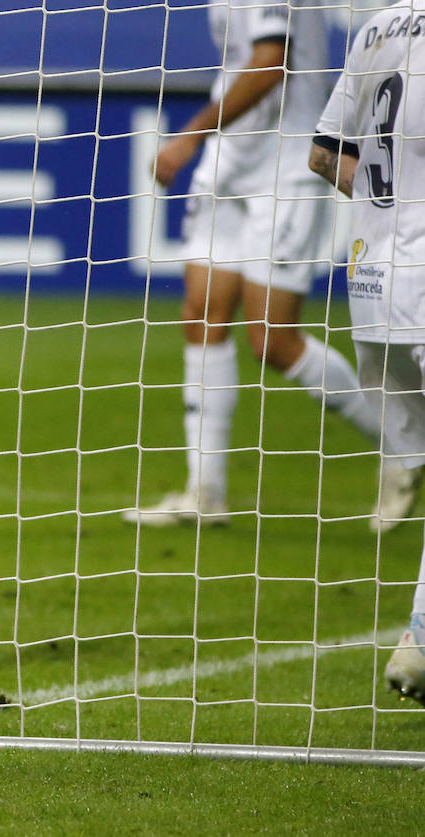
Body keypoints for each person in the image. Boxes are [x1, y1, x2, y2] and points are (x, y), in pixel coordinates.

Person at [124, 0, 420, 530]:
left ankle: (402, 448)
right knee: (201, 313)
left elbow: (270, 60)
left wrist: (191, 133)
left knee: (271, 339)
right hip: (231, 159)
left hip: (284, 163)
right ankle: (204, 491)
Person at [310, 1, 425, 704]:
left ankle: (417, 639)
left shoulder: (375, 26)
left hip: (374, 294)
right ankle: (418, 634)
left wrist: (394, 205)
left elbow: (325, 153)